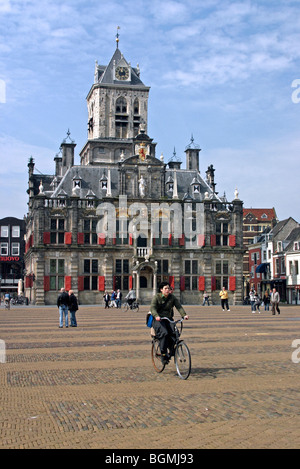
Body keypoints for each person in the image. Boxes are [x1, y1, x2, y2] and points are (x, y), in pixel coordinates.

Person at [150, 281, 189, 364]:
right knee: (164, 333)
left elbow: (179, 307)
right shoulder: (157, 297)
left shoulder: (172, 297)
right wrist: (156, 315)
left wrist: (184, 315)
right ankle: (163, 354)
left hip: (168, 319)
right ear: (161, 290)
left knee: (175, 334)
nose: (167, 290)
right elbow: (153, 308)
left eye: (168, 288)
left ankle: (172, 350)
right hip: (158, 319)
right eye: (166, 288)